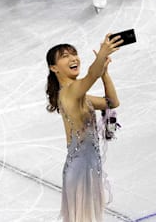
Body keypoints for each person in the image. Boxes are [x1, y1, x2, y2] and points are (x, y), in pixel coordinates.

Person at [46, 34, 122, 221]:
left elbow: (112, 102)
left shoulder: (81, 96)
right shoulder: (69, 92)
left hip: (90, 169)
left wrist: (104, 73)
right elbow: (90, 75)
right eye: (65, 56)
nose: (73, 58)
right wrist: (102, 55)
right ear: (54, 67)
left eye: (74, 54)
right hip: (80, 171)